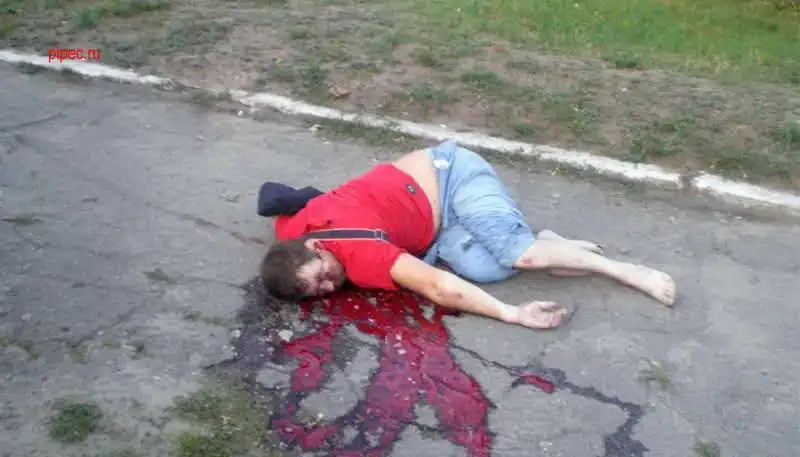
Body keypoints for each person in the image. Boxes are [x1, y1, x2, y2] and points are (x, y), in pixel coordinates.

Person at [259, 140, 675, 330]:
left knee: (521, 256)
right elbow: (276, 199)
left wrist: (513, 314)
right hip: (437, 230)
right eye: (317, 292)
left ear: (316, 246)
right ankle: (550, 244)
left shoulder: (360, 255)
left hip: (452, 175)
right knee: (487, 271)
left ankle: (623, 270)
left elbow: (439, 286)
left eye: (322, 276)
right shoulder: (291, 237)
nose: (330, 287)